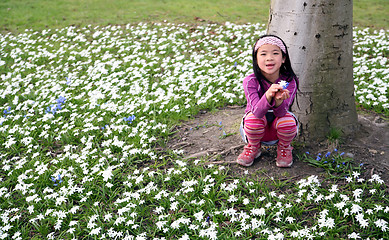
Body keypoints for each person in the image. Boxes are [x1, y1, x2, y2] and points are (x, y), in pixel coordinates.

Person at [237, 35, 299, 168]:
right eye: (263, 54)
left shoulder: (289, 81)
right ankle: (253, 147)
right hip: (255, 130)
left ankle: (284, 148)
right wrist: (268, 95)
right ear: (256, 59)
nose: (269, 58)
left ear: (283, 59)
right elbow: (258, 112)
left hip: (279, 129)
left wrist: (278, 101)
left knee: (288, 120)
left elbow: (283, 112)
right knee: (253, 119)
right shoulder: (250, 81)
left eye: (275, 53)